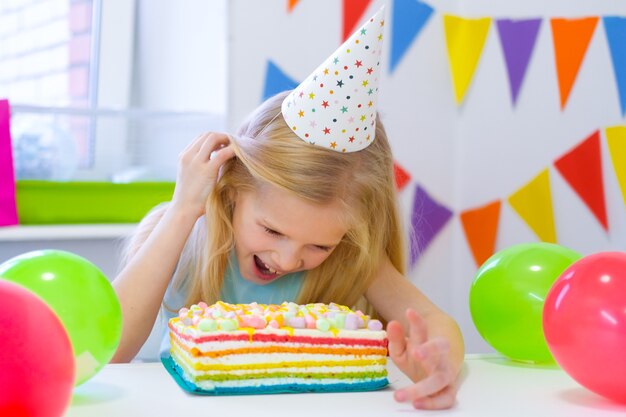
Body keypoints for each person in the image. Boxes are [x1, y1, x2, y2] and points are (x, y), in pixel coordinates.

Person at [111, 8, 464, 410]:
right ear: (231, 192)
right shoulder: (183, 234)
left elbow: (435, 322)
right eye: (272, 230)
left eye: (319, 247)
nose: (288, 258)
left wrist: (440, 366)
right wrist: (181, 211)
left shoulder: (349, 258)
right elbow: (111, 350)